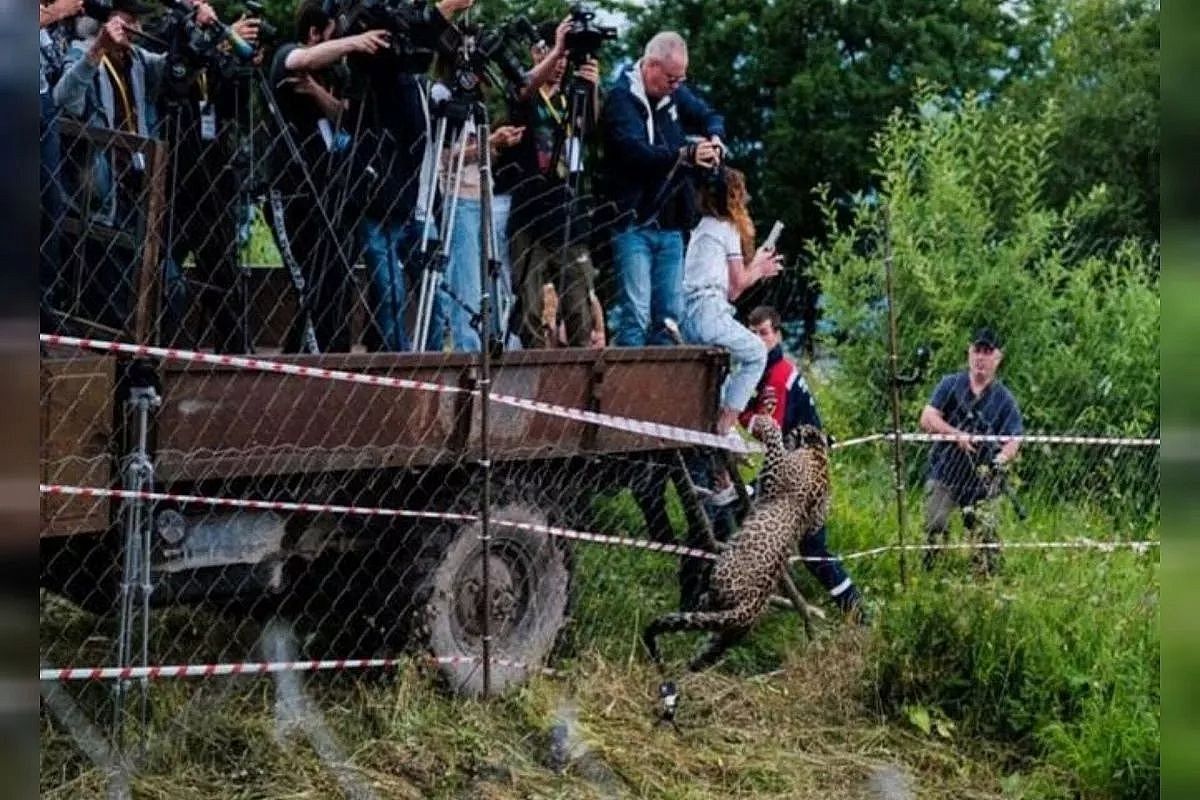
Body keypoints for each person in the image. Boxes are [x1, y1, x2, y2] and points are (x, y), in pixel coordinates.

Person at [267, 0, 389, 352]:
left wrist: (320, 92)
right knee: (310, 287)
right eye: (336, 35)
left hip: (330, 194)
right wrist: (353, 43)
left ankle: (329, 361)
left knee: (336, 284)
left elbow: (343, 118)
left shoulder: (333, 75)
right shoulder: (287, 55)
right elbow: (299, 60)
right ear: (314, 33)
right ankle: (305, 367)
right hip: (291, 194)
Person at [600, 30, 725, 347]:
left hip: (670, 220)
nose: (676, 86)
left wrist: (714, 137)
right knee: (637, 314)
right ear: (651, 67)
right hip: (632, 220)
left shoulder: (674, 92)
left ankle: (663, 391)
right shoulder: (620, 99)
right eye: (671, 79)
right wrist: (684, 154)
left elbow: (709, 114)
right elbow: (636, 153)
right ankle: (627, 389)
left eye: (680, 80)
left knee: (670, 315)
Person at [742, 305, 867, 621]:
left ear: (778, 335)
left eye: (764, 334)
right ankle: (856, 612)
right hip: (803, 466)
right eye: (753, 334)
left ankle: (857, 612)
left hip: (802, 473)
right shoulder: (766, 370)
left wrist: (737, 414)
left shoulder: (779, 375)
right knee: (811, 549)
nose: (758, 340)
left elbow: (770, 428)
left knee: (742, 507)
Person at [500, 20, 605, 349]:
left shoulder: (570, 97)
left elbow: (588, 129)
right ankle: (532, 380)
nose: (560, 65)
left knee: (579, 308)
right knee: (530, 309)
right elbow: (521, 91)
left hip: (568, 216)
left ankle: (578, 387)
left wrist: (592, 88)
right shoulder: (526, 94)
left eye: (564, 58)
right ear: (536, 53)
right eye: (552, 55)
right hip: (529, 216)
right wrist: (556, 49)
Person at [680, 167, 779, 434]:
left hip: (690, 314)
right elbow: (738, 284)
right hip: (710, 311)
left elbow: (732, 292)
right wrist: (760, 269)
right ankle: (724, 427)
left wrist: (756, 263)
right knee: (757, 353)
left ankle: (721, 424)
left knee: (719, 375)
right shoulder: (727, 228)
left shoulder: (702, 228)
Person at [918, 327, 1023, 574]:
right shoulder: (950, 384)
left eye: (987, 352)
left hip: (981, 481)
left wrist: (1000, 458)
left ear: (998, 358)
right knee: (935, 524)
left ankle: (986, 582)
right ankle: (933, 577)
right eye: (977, 350)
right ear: (969, 352)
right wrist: (957, 436)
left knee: (986, 539)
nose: (981, 357)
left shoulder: (1004, 399)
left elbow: (1014, 439)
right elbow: (927, 417)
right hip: (945, 472)